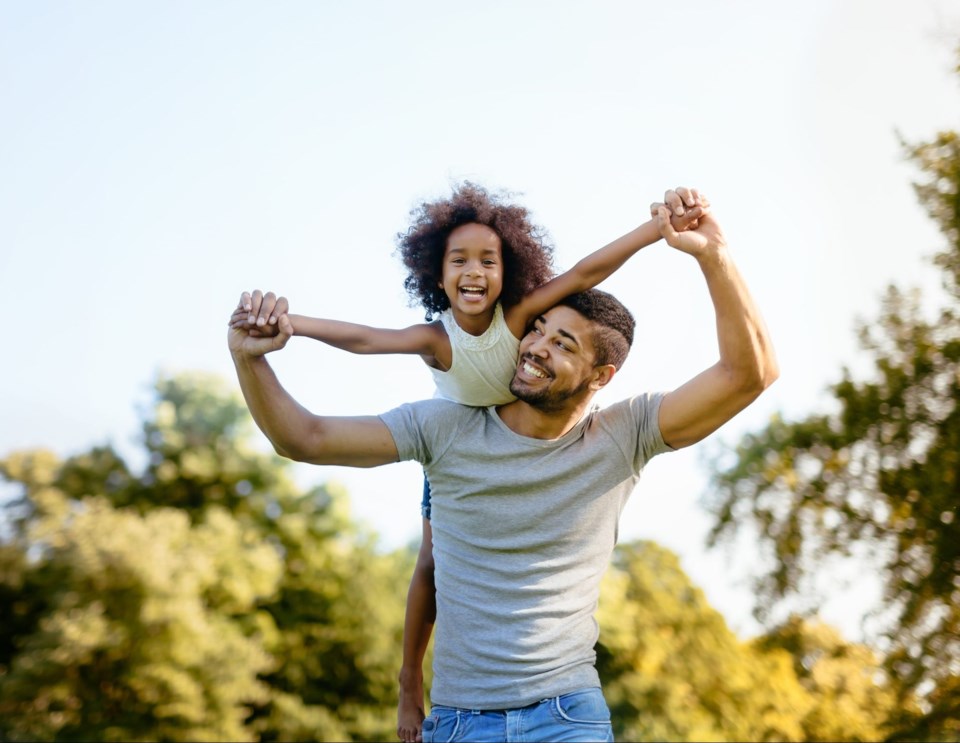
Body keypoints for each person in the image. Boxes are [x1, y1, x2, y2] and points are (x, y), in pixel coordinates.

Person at [228, 195, 778, 743]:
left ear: (601, 375)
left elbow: (748, 374)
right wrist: (250, 358)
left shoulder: (624, 435)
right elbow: (304, 437)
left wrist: (715, 255)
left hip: (567, 717)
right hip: (458, 722)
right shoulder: (446, 427)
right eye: (537, 329)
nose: (534, 347)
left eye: (561, 344)